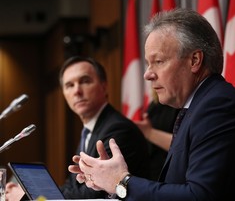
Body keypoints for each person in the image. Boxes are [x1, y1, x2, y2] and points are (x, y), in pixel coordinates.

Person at [68, 8, 235, 200]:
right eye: (148, 64)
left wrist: (121, 182)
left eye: (158, 61)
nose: (147, 74)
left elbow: (199, 196)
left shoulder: (219, 107)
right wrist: (110, 182)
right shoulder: (198, 107)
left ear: (194, 60)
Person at [5, 56, 150, 200]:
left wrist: (28, 197)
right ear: (64, 94)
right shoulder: (89, 131)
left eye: (85, 81)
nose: (77, 91)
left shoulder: (117, 130)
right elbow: (73, 186)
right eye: (69, 85)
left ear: (104, 86)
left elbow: (93, 194)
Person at [135, 93, 179, 180]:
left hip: (171, 175)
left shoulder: (182, 105)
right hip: (152, 174)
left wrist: (150, 133)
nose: (148, 78)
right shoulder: (156, 103)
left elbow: (186, 144)